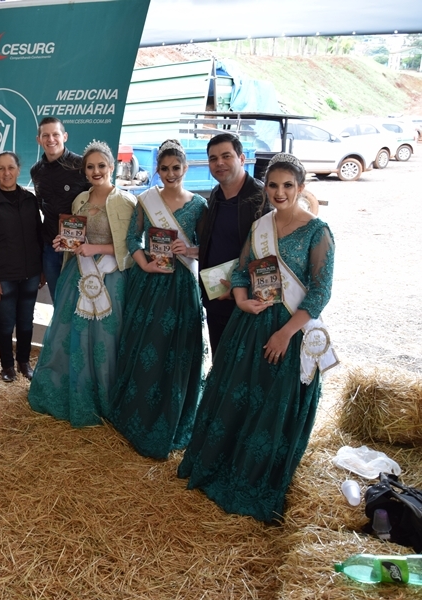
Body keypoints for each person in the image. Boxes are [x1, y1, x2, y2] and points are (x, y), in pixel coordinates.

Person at [178, 153, 336, 523]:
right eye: (273, 185)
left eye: (288, 185)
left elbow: (320, 292)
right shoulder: (260, 226)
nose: (280, 192)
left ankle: (252, 477)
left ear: (300, 187)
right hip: (249, 325)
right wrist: (240, 300)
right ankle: (221, 465)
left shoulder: (318, 232)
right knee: (236, 399)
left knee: (269, 406)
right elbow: (239, 272)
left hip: (289, 333)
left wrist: (285, 334)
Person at [106, 139, 207, 460]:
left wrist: (189, 250)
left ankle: (171, 415)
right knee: (145, 345)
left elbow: (208, 247)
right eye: (164, 168)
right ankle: (136, 411)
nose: (170, 173)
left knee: (174, 349)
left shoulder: (199, 205)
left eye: (176, 168)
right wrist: (144, 262)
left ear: (185, 168)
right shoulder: (146, 200)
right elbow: (132, 238)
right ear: (157, 170)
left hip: (181, 287)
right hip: (149, 282)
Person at [28, 141, 136, 425]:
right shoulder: (79, 200)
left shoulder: (127, 202)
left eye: (101, 165)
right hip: (77, 276)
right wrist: (63, 242)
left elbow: (132, 246)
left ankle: (104, 397)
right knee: (71, 334)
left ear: (111, 167)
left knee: (106, 339)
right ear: (84, 171)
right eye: (90, 167)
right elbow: (75, 238)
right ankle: (73, 392)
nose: (96, 171)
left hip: (111, 278)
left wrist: (96, 249)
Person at [197, 132, 270, 355]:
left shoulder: (262, 198)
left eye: (226, 156)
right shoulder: (215, 194)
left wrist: (242, 289)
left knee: (243, 364)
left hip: (248, 300)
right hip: (216, 297)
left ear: (241, 158)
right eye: (213, 158)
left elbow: (271, 254)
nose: (219, 163)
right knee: (220, 361)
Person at [0, 152, 43, 382]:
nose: (7, 173)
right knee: (5, 323)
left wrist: (41, 268)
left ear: (18, 170)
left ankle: (24, 362)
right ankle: (7, 366)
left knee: (25, 322)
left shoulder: (30, 199)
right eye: (1, 169)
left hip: (30, 273)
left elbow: (38, 234)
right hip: (3, 275)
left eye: (11, 168)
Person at [30, 117, 91, 303]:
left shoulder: (82, 166)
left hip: (78, 249)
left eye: (55, 134)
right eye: (45, 135)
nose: (51, 139)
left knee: (81, 302)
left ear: (65, 136)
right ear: (38, 140)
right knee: (58, 302)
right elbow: (41, 206)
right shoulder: (36, 171)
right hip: (50, 248)